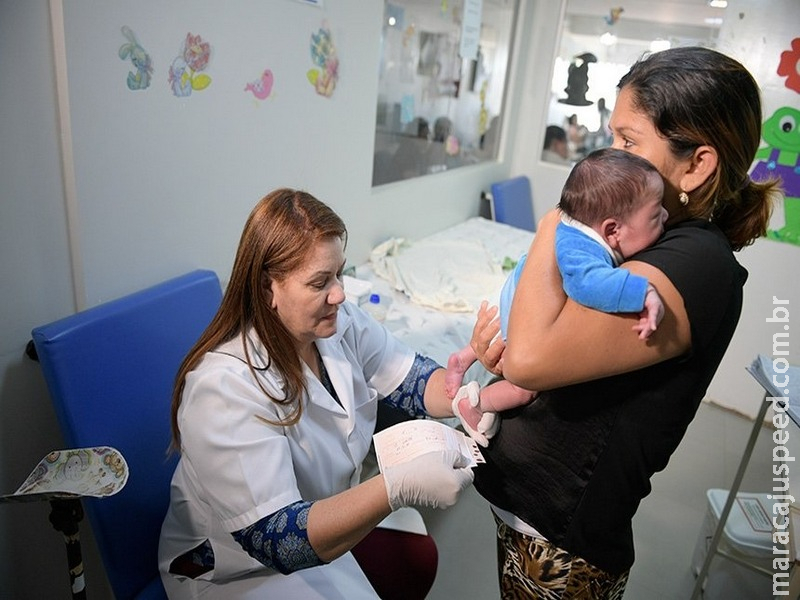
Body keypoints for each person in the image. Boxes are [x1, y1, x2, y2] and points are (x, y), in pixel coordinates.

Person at [467, 46, 781, 598]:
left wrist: (556, 219)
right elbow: (546, 336)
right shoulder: (649, 240)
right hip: (531, 516)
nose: (611, 155)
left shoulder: (696, 266)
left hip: (565, 542)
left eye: (629, 141)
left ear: (697, 163)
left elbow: (534, 359)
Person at [158, 188, 474, 599]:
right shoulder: (223, 388)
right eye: (319, 282)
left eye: (339, 273)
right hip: (239, 568)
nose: (339, 293)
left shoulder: (338, 322)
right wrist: (394, 487)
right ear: (268, 288)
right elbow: (278, 540)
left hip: (321, 516)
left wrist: (463, 396)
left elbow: (411, 380)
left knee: (413, 558)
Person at [447, 148, 667, 437]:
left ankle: (461, 359)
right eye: (655, 216)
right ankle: (475, 404)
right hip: (520, 310)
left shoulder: (573, 224)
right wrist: (642, 292)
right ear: (613, 231)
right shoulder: (582, 251)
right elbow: (587, 283)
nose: (665, 214)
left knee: (495, 332)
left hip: (516, 289)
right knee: (524, 388)